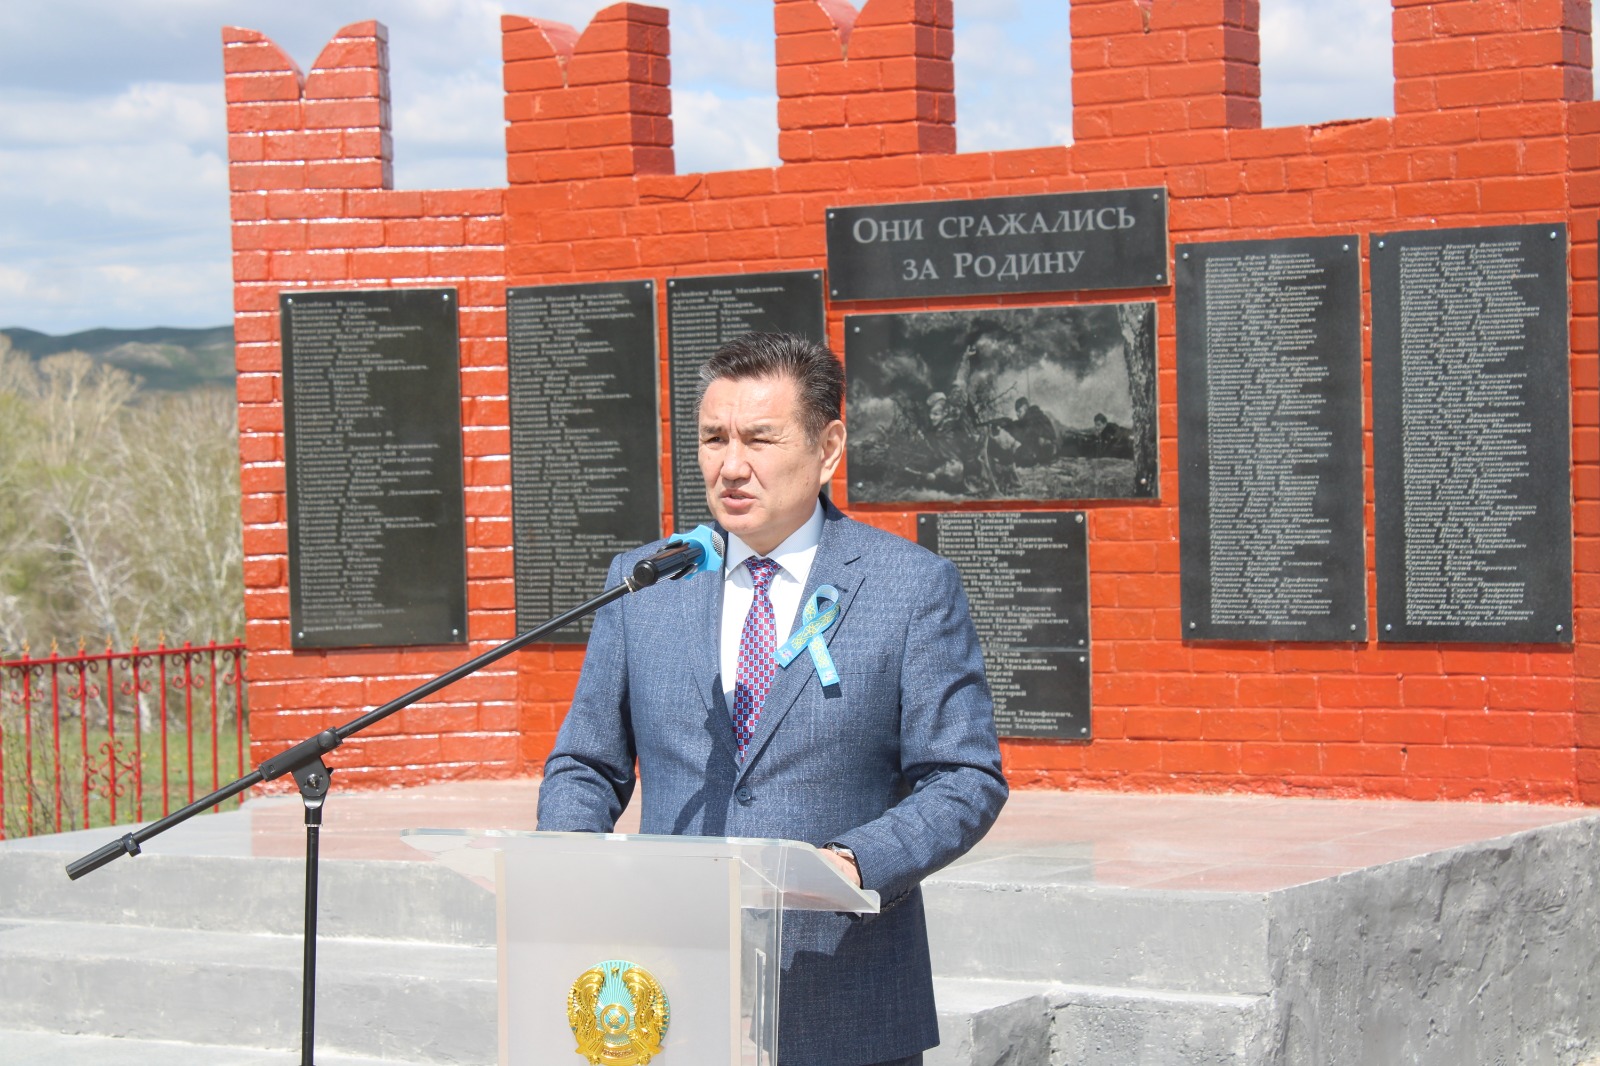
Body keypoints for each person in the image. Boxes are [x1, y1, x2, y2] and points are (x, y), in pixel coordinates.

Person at [538, 332, 1008, 1066]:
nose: (731, 466)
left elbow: (964, 777)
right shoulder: (646, 582)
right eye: (713, 439)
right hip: (671, 988)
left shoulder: (910, 588)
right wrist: (568, 858)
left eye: (759, 439)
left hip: (840, 993)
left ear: (828, 448)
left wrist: (852, 863)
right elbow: (586, 762)